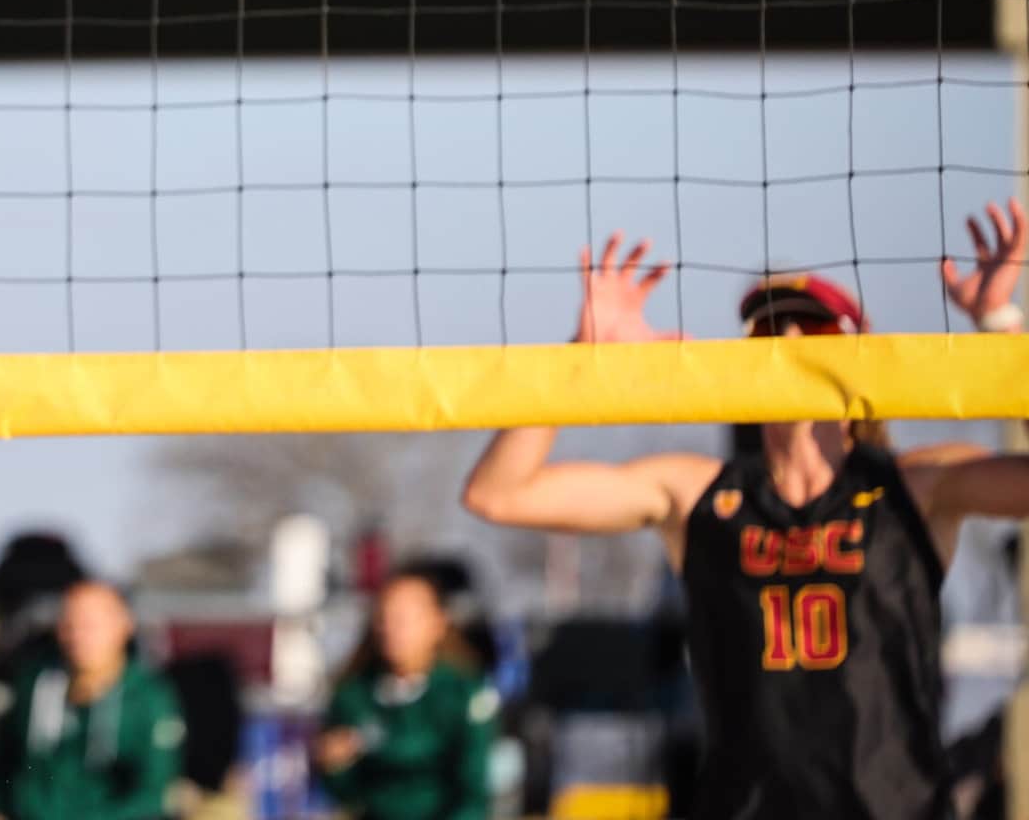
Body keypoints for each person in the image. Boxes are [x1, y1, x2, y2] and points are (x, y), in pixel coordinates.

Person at [462, 199, 1029, 820]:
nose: (785, 341)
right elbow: (498, 493)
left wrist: (1003, 327)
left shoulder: (917, 487)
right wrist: (578, 357)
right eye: (766, 328)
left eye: (809, 326)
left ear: (860, 355)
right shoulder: (697, 493)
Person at [0, 581, 184, 820]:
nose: (77, 635)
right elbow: (2, 762)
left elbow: (153, 793)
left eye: (90, 626)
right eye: (69, 624)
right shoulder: (36, 683)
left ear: (123, 626)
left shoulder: (149, 697)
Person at [313, 566, 496, 820]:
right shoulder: (353, 695)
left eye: (406, 618)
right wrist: (336, 767)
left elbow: (474, 789)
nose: (393, 628)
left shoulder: (464, 694)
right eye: (386, 617)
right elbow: (348, 794)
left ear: (438, 623)